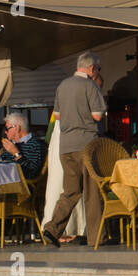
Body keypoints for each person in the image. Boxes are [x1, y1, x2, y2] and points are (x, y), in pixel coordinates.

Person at [43, 52, 105, 247]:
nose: (98, 72)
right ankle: (96, 237)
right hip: (86, 145)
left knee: (70, 192)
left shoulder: (62, 86)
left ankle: (52, 228)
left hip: (66, 147)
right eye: (98, 69)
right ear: (92, 68)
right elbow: (97, 116)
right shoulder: (90, 85)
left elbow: (57, 116)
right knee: (92, 193)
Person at [0, 111, 47, 180]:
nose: (5, 132)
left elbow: (31, 173)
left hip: (20, 184)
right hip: (5, 179)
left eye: (7, 128)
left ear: (17, 128)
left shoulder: (35, 145)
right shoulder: (12, 144)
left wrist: (16, 154)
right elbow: (2, 162)